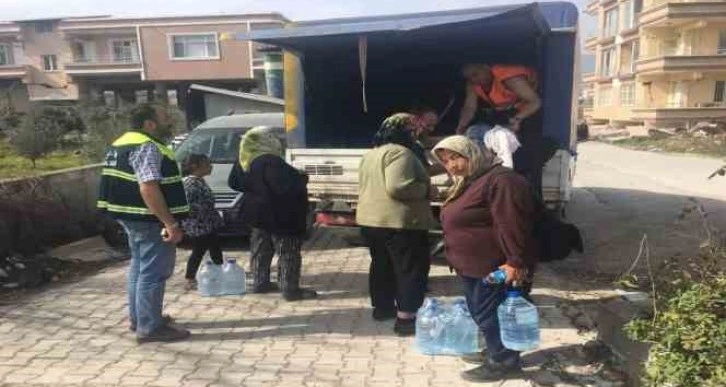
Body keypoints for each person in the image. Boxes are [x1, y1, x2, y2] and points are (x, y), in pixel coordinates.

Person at [433, 135, 538, 383]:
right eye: (446, 161)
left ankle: (503, 363)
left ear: (472, 153)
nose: (452, 165)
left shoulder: (502, 180)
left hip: (495, 264)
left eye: (456, 157)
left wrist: (514, 262)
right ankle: (496, 350)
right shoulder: (473, 180)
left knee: (490, 313)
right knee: (481, 311)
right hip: (473, 264)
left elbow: (512, 223)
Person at [97, 103, 190, 344]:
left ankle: (140, 318)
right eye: (162, 118)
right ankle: (150, 327)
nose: (167, 121)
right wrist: (169, 223)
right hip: (148, 220)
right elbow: (148, 187)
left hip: (129, 217)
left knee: (139, 268)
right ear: (149, 124)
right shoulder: (147, 146)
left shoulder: (119, 144)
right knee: (154, 272)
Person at [356, 114, 435, 336]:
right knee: (410, 269)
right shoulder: (401, 153)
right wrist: (429, 190)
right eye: (415, 131)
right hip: (400, 223)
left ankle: (382, 309)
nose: (418, 134)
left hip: (372, 221)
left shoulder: (372, 154)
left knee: (382, 266)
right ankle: (406, 320)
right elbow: (398, 187)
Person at [228, 126, 317, 302]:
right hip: (280, 215)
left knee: (261, 249)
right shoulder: (271, 161)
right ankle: (290, 289)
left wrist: (255, 188)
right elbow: (284, 187)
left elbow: (235, 182)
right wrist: (301, 178)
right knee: (288, 252)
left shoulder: (244, 160)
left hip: (257, 215)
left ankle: (260, 282)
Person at [455, 63, 543, 194]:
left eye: (475, 74)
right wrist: (461, 127)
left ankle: (527, 190)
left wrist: (518, 119)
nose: (474, 79)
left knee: (529, 151)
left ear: (486, 68)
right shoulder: (473, 84)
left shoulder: (509, 78)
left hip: (528, 109)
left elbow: (535, 102)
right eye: (469, 78)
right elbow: (469, 108)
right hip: (507, 110)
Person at [180, 154, 224, 290]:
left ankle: (219, 271)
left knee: (214, 247)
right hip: (198, 225)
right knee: (199, 250)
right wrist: (205, 211)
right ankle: (190, 277)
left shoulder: (199, 181)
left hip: (206, 223)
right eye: (207, 164)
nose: (211, 167)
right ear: (195, 166)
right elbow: (188, 205)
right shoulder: (189, 183)